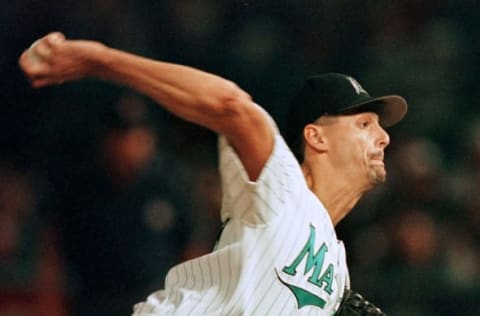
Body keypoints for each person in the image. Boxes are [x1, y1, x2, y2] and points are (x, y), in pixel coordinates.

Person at [19, 32, 407, 315]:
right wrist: (101, 60)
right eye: (364, 124)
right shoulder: (283, 185)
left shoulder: (337, 271)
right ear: (316, 137)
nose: (384, 137)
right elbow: (230, 105)